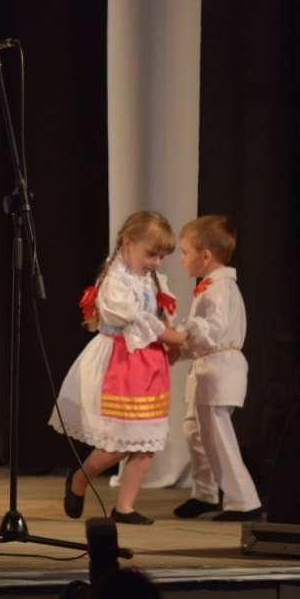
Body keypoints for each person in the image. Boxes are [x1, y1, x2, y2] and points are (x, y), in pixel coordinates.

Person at [53, 211, 189, 525]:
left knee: (147, 440)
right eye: (151, 254)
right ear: (128, 242)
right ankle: (80, 478)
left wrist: (172, 342)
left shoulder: (153, 280)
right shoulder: (114, 282)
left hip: (149, 365)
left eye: (161, 257)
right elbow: (141, 322)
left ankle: (124, 507)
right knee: (118, 442)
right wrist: (174, 337)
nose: (156, 262)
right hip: (122, 362)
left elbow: (160, 317)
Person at [173, 215, 261, 521]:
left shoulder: (220, 289)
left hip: (220, 369)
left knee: (217, 436)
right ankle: (205, 493)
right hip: (207, 368)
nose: (181, 259)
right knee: (195, 432)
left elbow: (215, 328)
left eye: (184, 252)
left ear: (205, 256)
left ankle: (244, 501)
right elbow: (204, 336)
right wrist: (179, 350)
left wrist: (182, 330)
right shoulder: (210, 287)